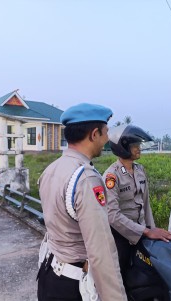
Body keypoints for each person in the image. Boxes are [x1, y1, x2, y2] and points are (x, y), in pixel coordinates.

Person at [37, 103, 127, 301]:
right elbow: (101, 250)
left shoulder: (52, 169)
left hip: (49, 273)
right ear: (94, 134)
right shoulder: (86, 178)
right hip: (72, 285)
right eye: (105, 133)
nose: (106, 140)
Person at [103, 124, 171, 281]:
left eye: (139, 144)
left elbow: (146, 204)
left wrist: (152, 230)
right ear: (122, 147)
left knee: (146, 275)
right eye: (135, 145)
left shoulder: (140, 170)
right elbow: (113, 215)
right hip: (120, 237)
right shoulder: (111, 176)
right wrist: (146, 231)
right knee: (118, 277)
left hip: (142, 233)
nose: (139, 148)